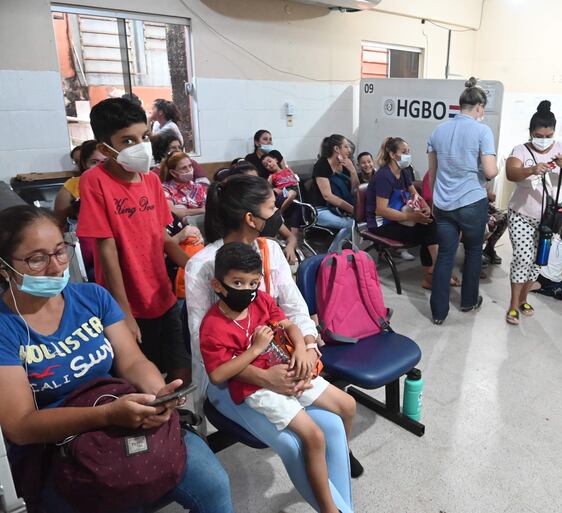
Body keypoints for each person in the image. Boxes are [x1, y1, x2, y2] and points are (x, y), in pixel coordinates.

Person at [0, 205, 233, 513]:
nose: (56, 267)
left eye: (59, 251)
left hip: (121, 413)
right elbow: (20, 425)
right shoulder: (6, 328)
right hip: (60, 446)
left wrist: (157, 397)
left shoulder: (92, 298)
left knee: (214, 486)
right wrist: (107, 416)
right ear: (4, 268)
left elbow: (132, 361)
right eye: (37, 259)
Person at [186, 175, 359, 512]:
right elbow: (204, 349)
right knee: (297, 445)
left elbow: (294, 311)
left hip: (279, 362)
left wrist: (307, 348)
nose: (279, 213)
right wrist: (265, 377)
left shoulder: (271, 250)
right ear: (251, 218)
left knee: (334, 423)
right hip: (236, 378)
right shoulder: (204, 265)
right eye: (271, 208)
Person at [77, 97, 192, 385]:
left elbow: (162, 238)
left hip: (162, 295)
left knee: (180, 373)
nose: (140, 146)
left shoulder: (151, 180)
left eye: (143, 137)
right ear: (106, 149)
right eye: (128, 141)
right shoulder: (94, 180)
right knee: (144, 382)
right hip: (124, 302)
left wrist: (197, 267)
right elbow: (106, 248)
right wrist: (123, 312)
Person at [426, 78, 499, 324]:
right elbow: (490, 171)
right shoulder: (482, 131)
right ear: (479, 107)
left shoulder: (438, 130)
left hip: (443, 203)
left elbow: (433, 172)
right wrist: (495, 169)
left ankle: (438, 313)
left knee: (445, 254)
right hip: (471, 202)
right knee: (473, 251)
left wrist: (435, 201)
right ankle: (468, 301)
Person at [506, 100, 562, 324]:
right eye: (539, 135)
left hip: (550, 218)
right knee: (523, 258)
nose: (543, 139)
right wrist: (532, 169)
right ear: (531, 132)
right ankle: (513, 305)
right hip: (521, 214)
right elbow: (511, 173)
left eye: (548, 135)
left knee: (537, 261)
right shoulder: (521, 150)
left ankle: (524, 299)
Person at [366, 137, 438, 288]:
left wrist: (425, 207)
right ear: (393, 155)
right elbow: (381, 210)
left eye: (408, 152)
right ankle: (435, 271)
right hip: (381, 223)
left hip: (398, 218)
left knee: (430, 222)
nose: (408, 155)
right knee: (427, 232)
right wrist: (411, 216)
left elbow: (415, 194)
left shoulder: (403, 172)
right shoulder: (384, 176)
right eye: (404, 152)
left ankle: (434, 271)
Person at [306, 134, 359, 254]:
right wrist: (352, 209)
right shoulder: (322, 165)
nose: (349, 150)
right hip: (320, 210)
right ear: (336, 149)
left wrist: (353, 171)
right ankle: (332, 255)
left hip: (340, 210)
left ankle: (349, 254)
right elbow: (327, 196)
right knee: (351, 224)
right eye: (346, 147)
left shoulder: (345, 165)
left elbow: (355, 191)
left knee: (361, 223)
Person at [54, 140, 106, 230]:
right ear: (85, 164)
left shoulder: (123, 183)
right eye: (94, 162)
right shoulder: (72, 186)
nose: (100, 167)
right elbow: (58, 223)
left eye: (105, 161)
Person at [529, 221, 562, 300]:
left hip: (537, 273)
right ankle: (545, 289)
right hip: (552, 280)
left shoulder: (552, 238)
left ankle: (536, 284)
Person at [159, 151, 208, 222]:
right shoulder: (165, 189)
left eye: (190, 166)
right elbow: (173, 212)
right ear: (173, 173)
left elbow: (207, 207)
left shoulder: (198, 187)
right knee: (180, 208)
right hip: (182, 226)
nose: (189, 170)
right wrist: (201, 210)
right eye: (184, 168)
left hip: (203, 222)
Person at [483, 177, 509, 265]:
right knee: (489, 222)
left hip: (483, 202)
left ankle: (489, 248)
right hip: (470, 204)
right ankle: (473, 252)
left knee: (504, 217)